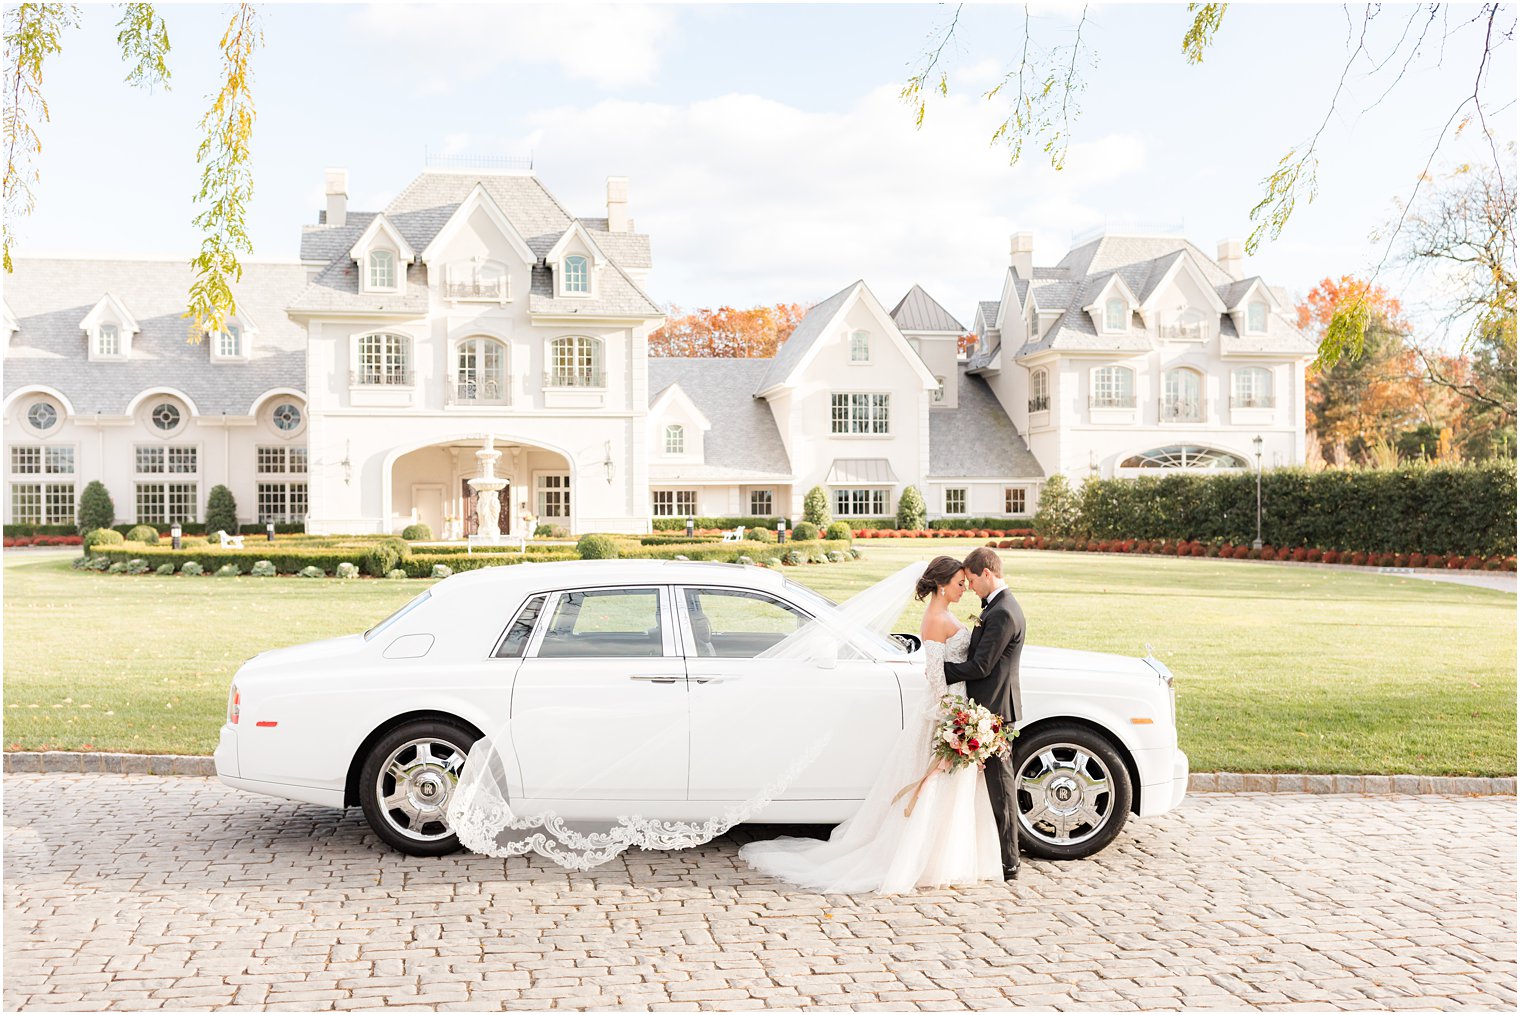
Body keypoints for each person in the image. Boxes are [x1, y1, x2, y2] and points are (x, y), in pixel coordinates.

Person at [737, 555, 1005, 894]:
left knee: (946, 787)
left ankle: (944, 857)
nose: (964, 589)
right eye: (959, 583)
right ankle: (922, 859)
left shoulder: (946, 615)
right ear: (941, 584)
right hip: (946, 712)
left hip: (957, 707)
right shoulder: (936, 618)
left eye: (966, 583)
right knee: (934, 784)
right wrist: (954, 721)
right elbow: (937, 677)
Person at [942, 546, 1025, 880]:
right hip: (986, 710)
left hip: (995, 713)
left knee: (1001, 788)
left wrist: (940, 670)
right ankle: (995, 854)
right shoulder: (995, 608)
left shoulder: (1003, 612)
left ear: (987, 573)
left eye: (973, 580)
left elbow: (981, 665)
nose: (971, 586)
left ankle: (1010, 861)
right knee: (992, 787)